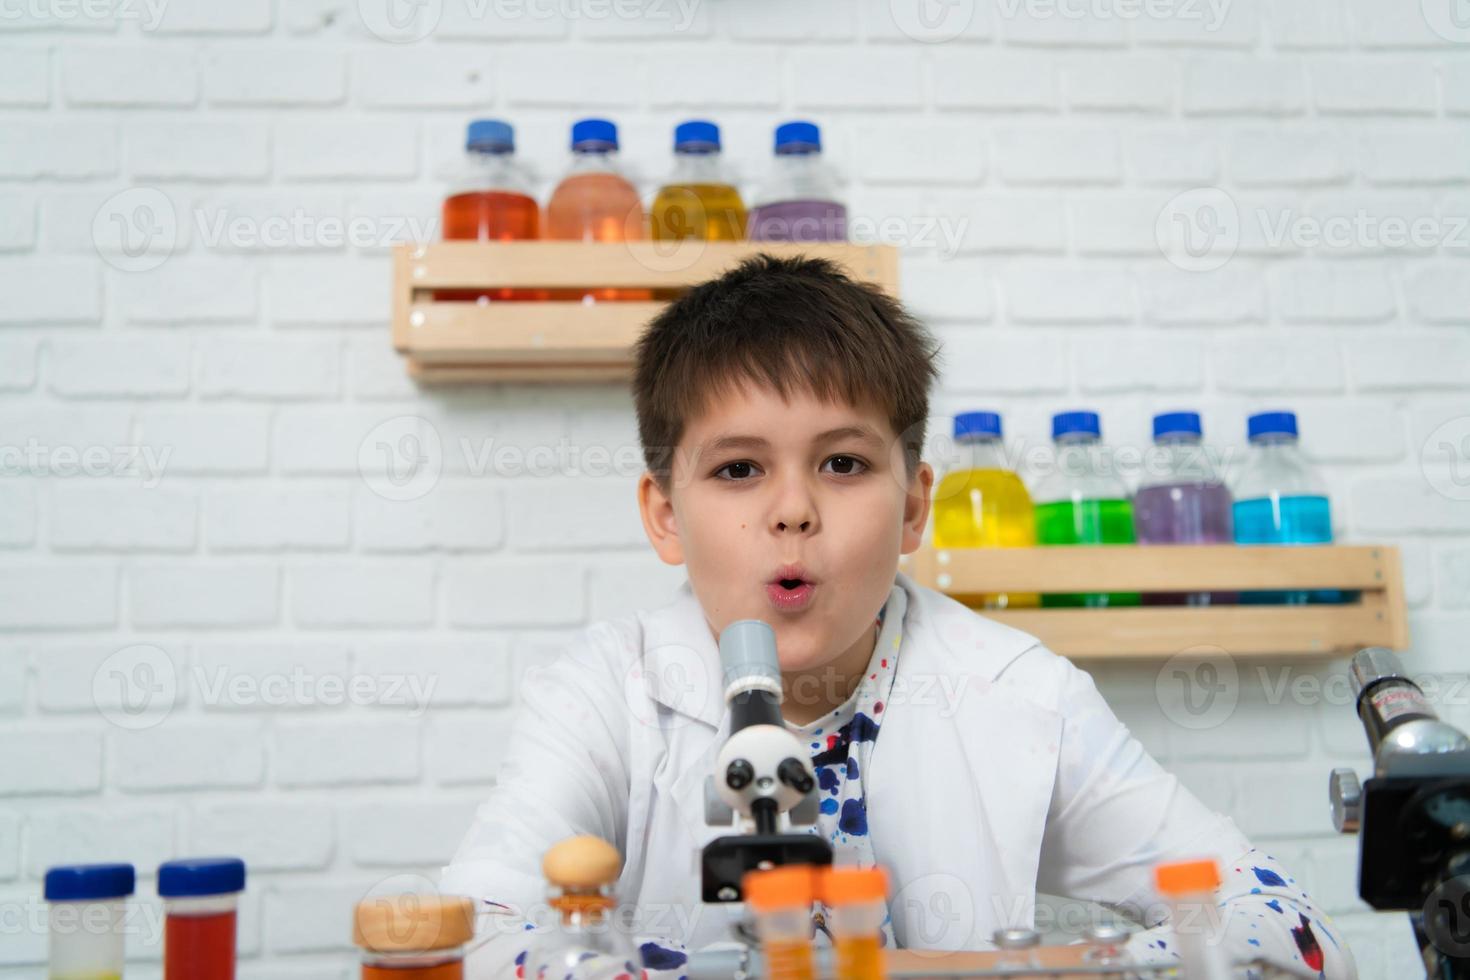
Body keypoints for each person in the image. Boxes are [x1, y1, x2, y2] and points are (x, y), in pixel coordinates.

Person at [441, 255, 1353, 979]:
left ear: (915, 506)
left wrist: (948, 972)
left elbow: (1295, 935)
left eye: (842, 465)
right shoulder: (602, 694)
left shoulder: (1021, 692)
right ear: (665, 515)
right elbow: (469, 940)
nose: (792, 511)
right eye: (738, 470)